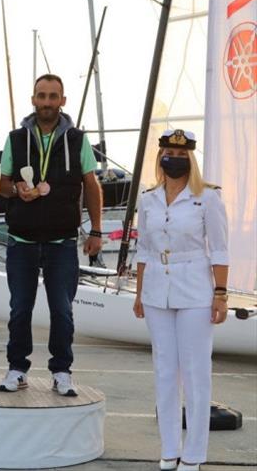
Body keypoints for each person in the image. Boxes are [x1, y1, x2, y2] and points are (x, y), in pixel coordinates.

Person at [0, 74, 102, 396]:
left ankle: (61, 371)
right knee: (20, 310)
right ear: (33, 99)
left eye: (53, 96)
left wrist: (96, 230)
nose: (46, 102)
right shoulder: (15, 138)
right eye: (41, 96)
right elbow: (1, 186)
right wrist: (17, 189)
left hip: (62, 242)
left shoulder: (77, 139)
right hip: (22, 240)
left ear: (62, 101)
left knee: (62, 310)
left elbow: (92, 185)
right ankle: (17, 369)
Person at [133, 129, 229, 471]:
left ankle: (194, 454)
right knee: (164, 371)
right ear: (160, 156)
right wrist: (140, 293)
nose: (172, 158)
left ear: (190, 158)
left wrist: (220, 294)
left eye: (179, 153)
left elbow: (218, 248)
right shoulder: (149, 199)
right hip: (158, 289)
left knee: (195, 373)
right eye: (167, 152)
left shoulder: (207, 197)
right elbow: (143, 248)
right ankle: (169, 449)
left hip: (195, 291)